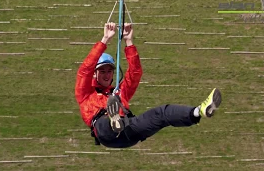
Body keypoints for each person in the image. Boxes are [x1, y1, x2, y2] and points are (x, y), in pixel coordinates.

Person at [75, 22, 222, 148]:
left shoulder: (120, 92)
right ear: (94, 74)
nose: (107, 75)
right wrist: (105, 39)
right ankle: (113, 123)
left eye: (109, 71)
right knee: (103, 123)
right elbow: (85, 69)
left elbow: (135, 73)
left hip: (128, 130)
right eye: (102, 71)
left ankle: (199, 111)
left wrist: (129, 42)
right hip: (105, 133)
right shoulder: (85, 93)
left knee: (162, 113)